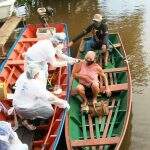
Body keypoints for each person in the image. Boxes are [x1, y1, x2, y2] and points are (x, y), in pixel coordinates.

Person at [13, 63, 70, 130]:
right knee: (50, 111)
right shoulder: (35, 84)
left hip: (16, 104)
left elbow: (17, 87)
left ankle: (25, 117)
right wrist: (63, 103)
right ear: (36, 74)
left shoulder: (22, 76)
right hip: (25, 109)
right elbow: (50, 98)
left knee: (41, 99)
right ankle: (30, 121)